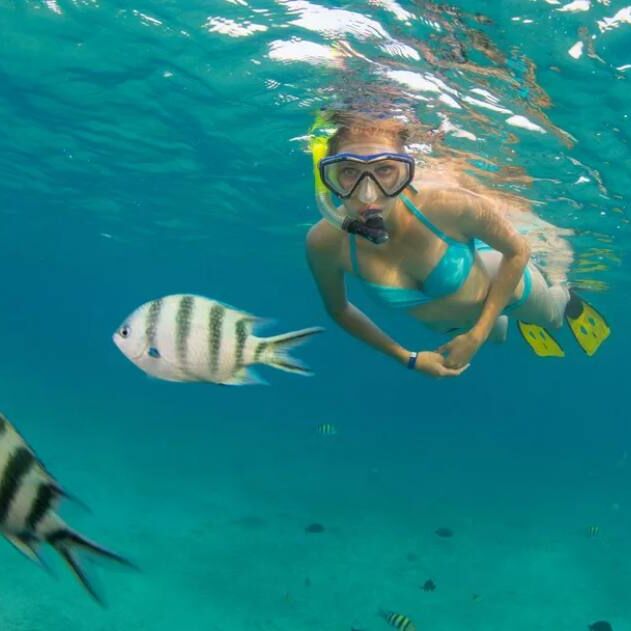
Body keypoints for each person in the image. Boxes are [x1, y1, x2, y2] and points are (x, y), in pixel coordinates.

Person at [305, 110, 609, 378]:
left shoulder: (449, 204)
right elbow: (339, 309)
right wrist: (407, 358)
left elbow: (518, 250)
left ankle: (565, 295)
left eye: (385, 170)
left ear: (406, 172)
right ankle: (496, 324)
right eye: (348, 172)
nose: (368, 194)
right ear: (328, 176)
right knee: (499, 337)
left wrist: (478, 334)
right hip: (455, 328)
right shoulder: (325, 243)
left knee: (552, 320)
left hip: (509, 289)